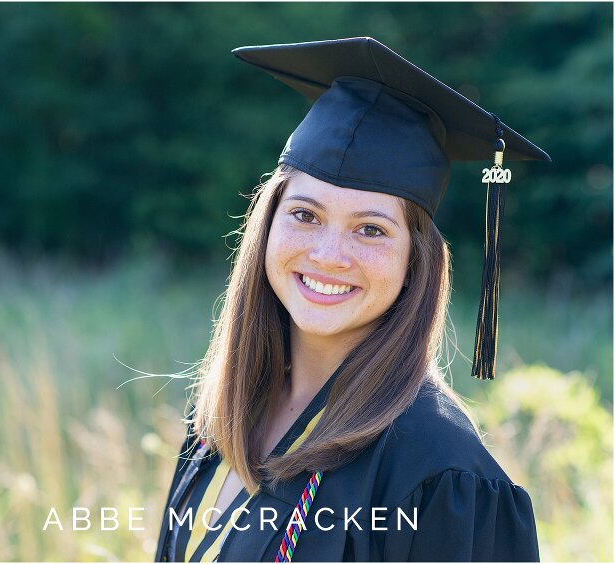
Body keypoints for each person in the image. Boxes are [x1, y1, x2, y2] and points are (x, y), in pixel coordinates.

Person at [154, 37, 549, 562]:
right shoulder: (217, 418)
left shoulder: (442, 477)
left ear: (416, 260)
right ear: (267, 223)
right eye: (305, 215)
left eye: (370, 230)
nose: (328, 255)